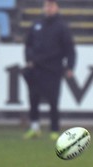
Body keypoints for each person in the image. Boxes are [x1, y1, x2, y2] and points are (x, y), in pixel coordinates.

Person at [23, 0, 76, 140]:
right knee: (33, 98)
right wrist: (28, 59)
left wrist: (70, 66)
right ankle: (34, 127)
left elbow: (69, 49)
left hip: (53, 68)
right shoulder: (36, 25)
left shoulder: (62, 27)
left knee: (53, 101)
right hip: (36, 68)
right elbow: (28, 44)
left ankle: (54, 129)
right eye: (46, 5)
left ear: (57, 7)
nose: (49, 8)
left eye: (51, 5)